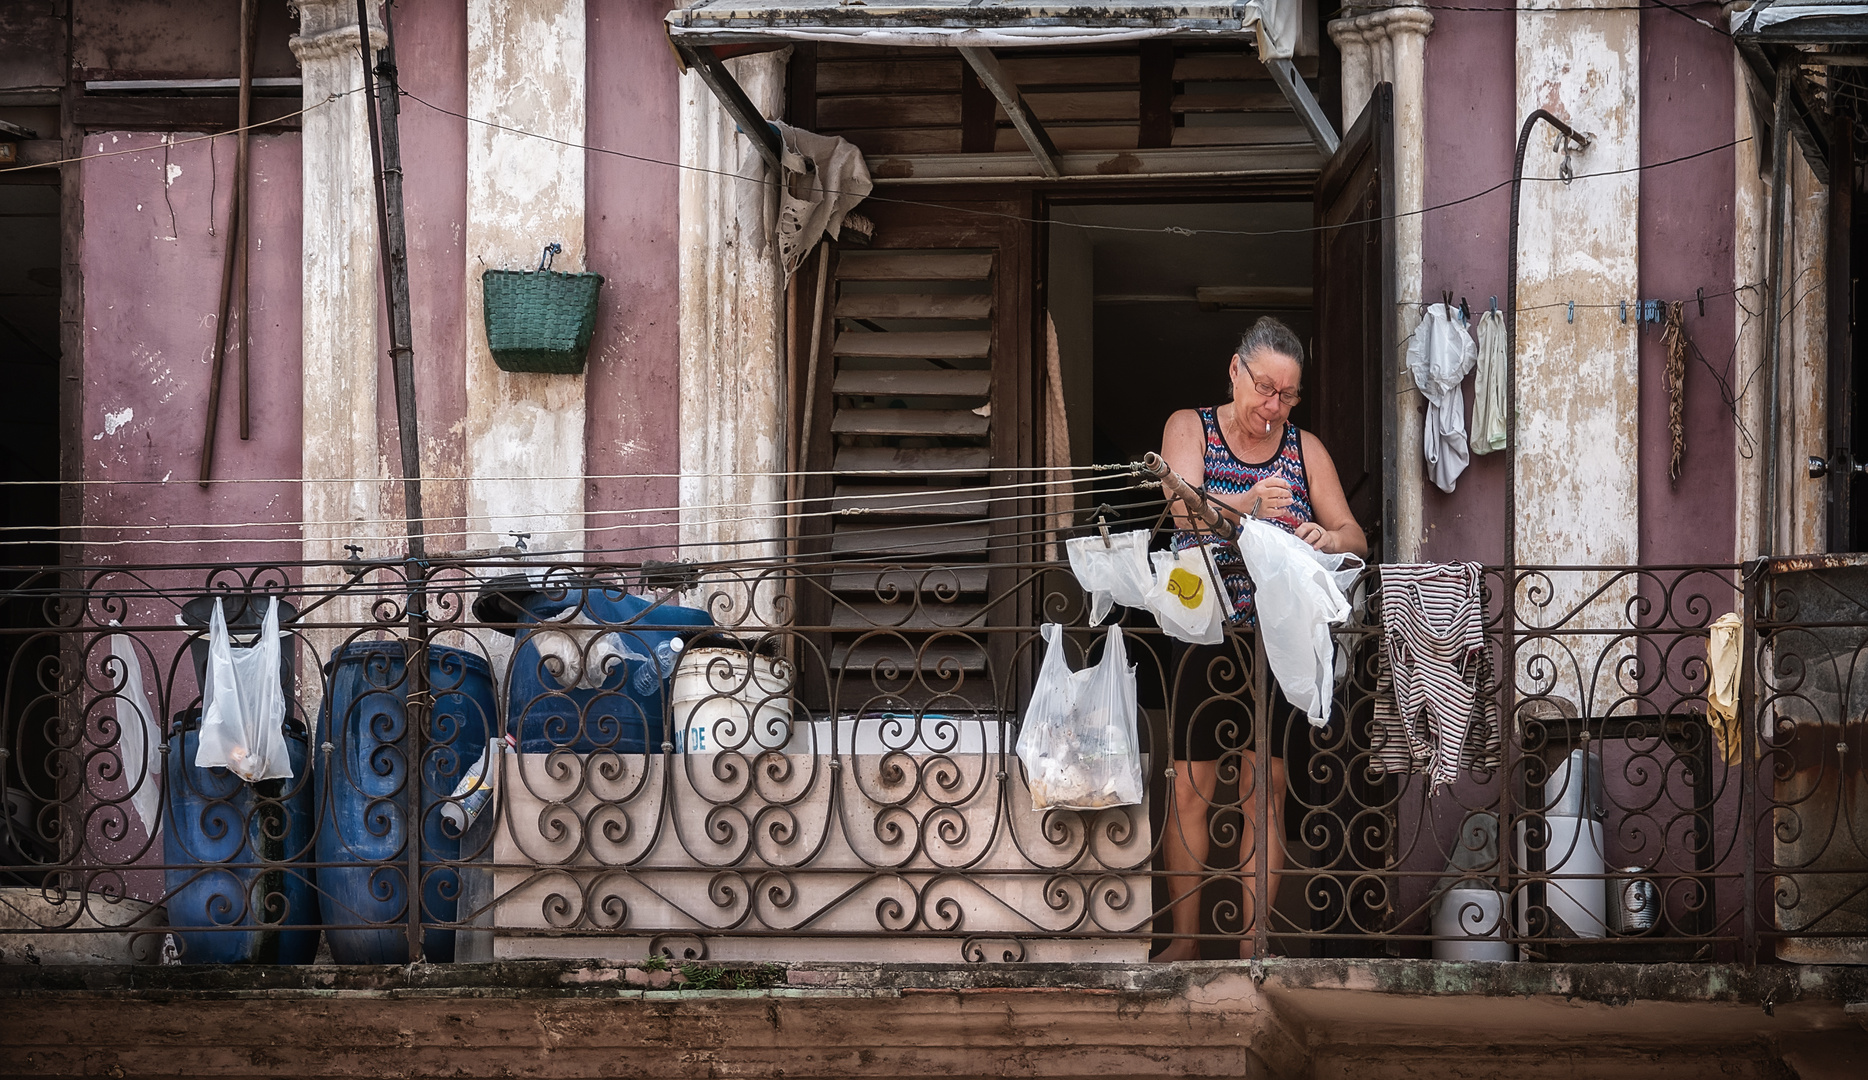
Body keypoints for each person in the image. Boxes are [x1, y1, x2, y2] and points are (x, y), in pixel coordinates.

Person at [1152, 316, 1368, 962]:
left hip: (1277, 641)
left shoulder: (1305, 450)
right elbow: (1180, 503)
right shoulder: (1188, 427)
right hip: (1203, 629)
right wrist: (1247, 501)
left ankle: (1255, 949)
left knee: (1263, 788)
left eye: (1288, 395)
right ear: (1235, 371)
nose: (1273, 407)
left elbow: (1354, 536)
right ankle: (1184, 942)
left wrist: (1325, 539)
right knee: (1191, 786)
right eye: (1265, 388)